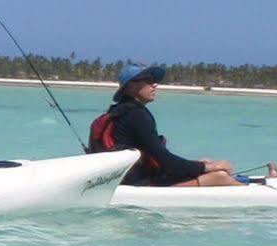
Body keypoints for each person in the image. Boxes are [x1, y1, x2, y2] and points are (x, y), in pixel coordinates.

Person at [89, 62, 261, 187]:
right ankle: (251, 188)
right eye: (147, 80)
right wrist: (209, 167)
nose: (154, 84)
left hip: (124, 181)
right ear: (130, 88)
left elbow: (161, 159)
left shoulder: (118, 111)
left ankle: (254, 181)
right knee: (219, 176)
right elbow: (168, 163)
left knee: (208, 168)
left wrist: (197, 165)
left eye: (154, 80)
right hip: (139, 184)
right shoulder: (136, 115)